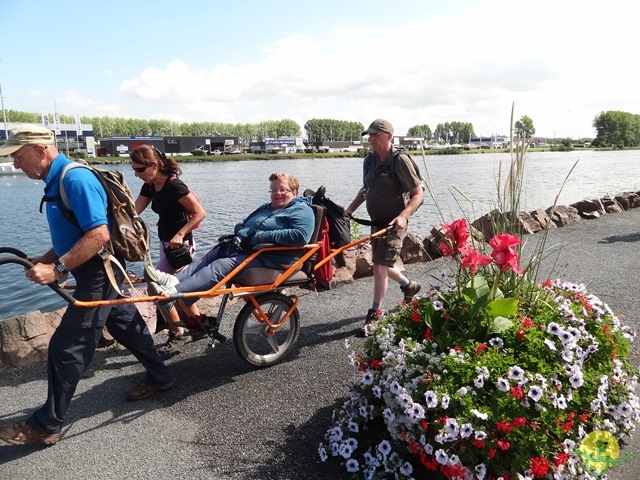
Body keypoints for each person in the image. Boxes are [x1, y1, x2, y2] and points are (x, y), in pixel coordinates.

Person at [0, 126, 174, 446]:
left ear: (40, 150)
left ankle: (46, 424)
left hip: (99, 271)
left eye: (18, 156)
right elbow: (76, 231)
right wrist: (47, 256)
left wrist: (56, 268)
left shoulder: (74, 179)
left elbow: (98, 236)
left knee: (66, 347)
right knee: (125, 325)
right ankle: (161, 376)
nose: (15, 164)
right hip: (97, 268)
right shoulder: (57, 179)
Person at [147, 172, 315, 354]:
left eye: (283, 189)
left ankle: (177, 293)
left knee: (222, 266)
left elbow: (300, 235)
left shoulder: (301, 210)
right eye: (273, 190)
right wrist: (242, 231)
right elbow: (244, 224)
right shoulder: (267, 207)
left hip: (274, 259)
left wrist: (261, 236)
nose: (277, 193)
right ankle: (174, 282)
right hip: (253, 250)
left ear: (295, 192)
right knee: (215, 252)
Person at [344, 119, 424, 335]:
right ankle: (409, 285)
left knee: (379, 264)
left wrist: (403, 216)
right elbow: (365, 189)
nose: (370, 139)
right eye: (369, 135)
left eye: (375, 135)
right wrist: (350, 209)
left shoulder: (400, 160)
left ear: (388, 136)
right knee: (382, 263)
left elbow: (418, 195)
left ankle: (375, 313)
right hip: (376, 223)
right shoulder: (369, 160)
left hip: (394, 223)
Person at [130, 144, 206, 348]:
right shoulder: (150, 185)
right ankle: (198, 325)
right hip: (165, 244)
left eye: (139, 169)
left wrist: (180, 234)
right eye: (134, 169)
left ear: (155, 164)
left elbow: (199, 213)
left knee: (163, 288)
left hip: (181, 246)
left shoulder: (175, 186)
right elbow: (134, 212)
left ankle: (182, 331)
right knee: (174, 289)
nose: (137, 174)